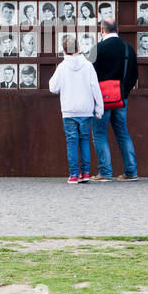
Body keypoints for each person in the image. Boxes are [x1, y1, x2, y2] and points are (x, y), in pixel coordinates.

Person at [50, 34, 104, 184]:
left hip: (69, 111)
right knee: (84, 140)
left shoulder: (62, 67)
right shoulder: (88, 65)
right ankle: (85, 173)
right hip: (86, 110)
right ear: (79, 49)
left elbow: (53, 87)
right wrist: (99, 109)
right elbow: (96, 88)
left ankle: (74, 174)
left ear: (63, 51)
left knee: (72, 142)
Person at [91, 20, 139, 182]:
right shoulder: (128, 48)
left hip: (101, 100)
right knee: (122, 133)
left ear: (101, 30)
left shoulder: (97, 48)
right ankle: (131, 172)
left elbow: (90, 77)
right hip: (121, 99)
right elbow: (134, 75)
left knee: (99, 134)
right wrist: (124, 92)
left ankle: (105, 172)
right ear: (117, 29)